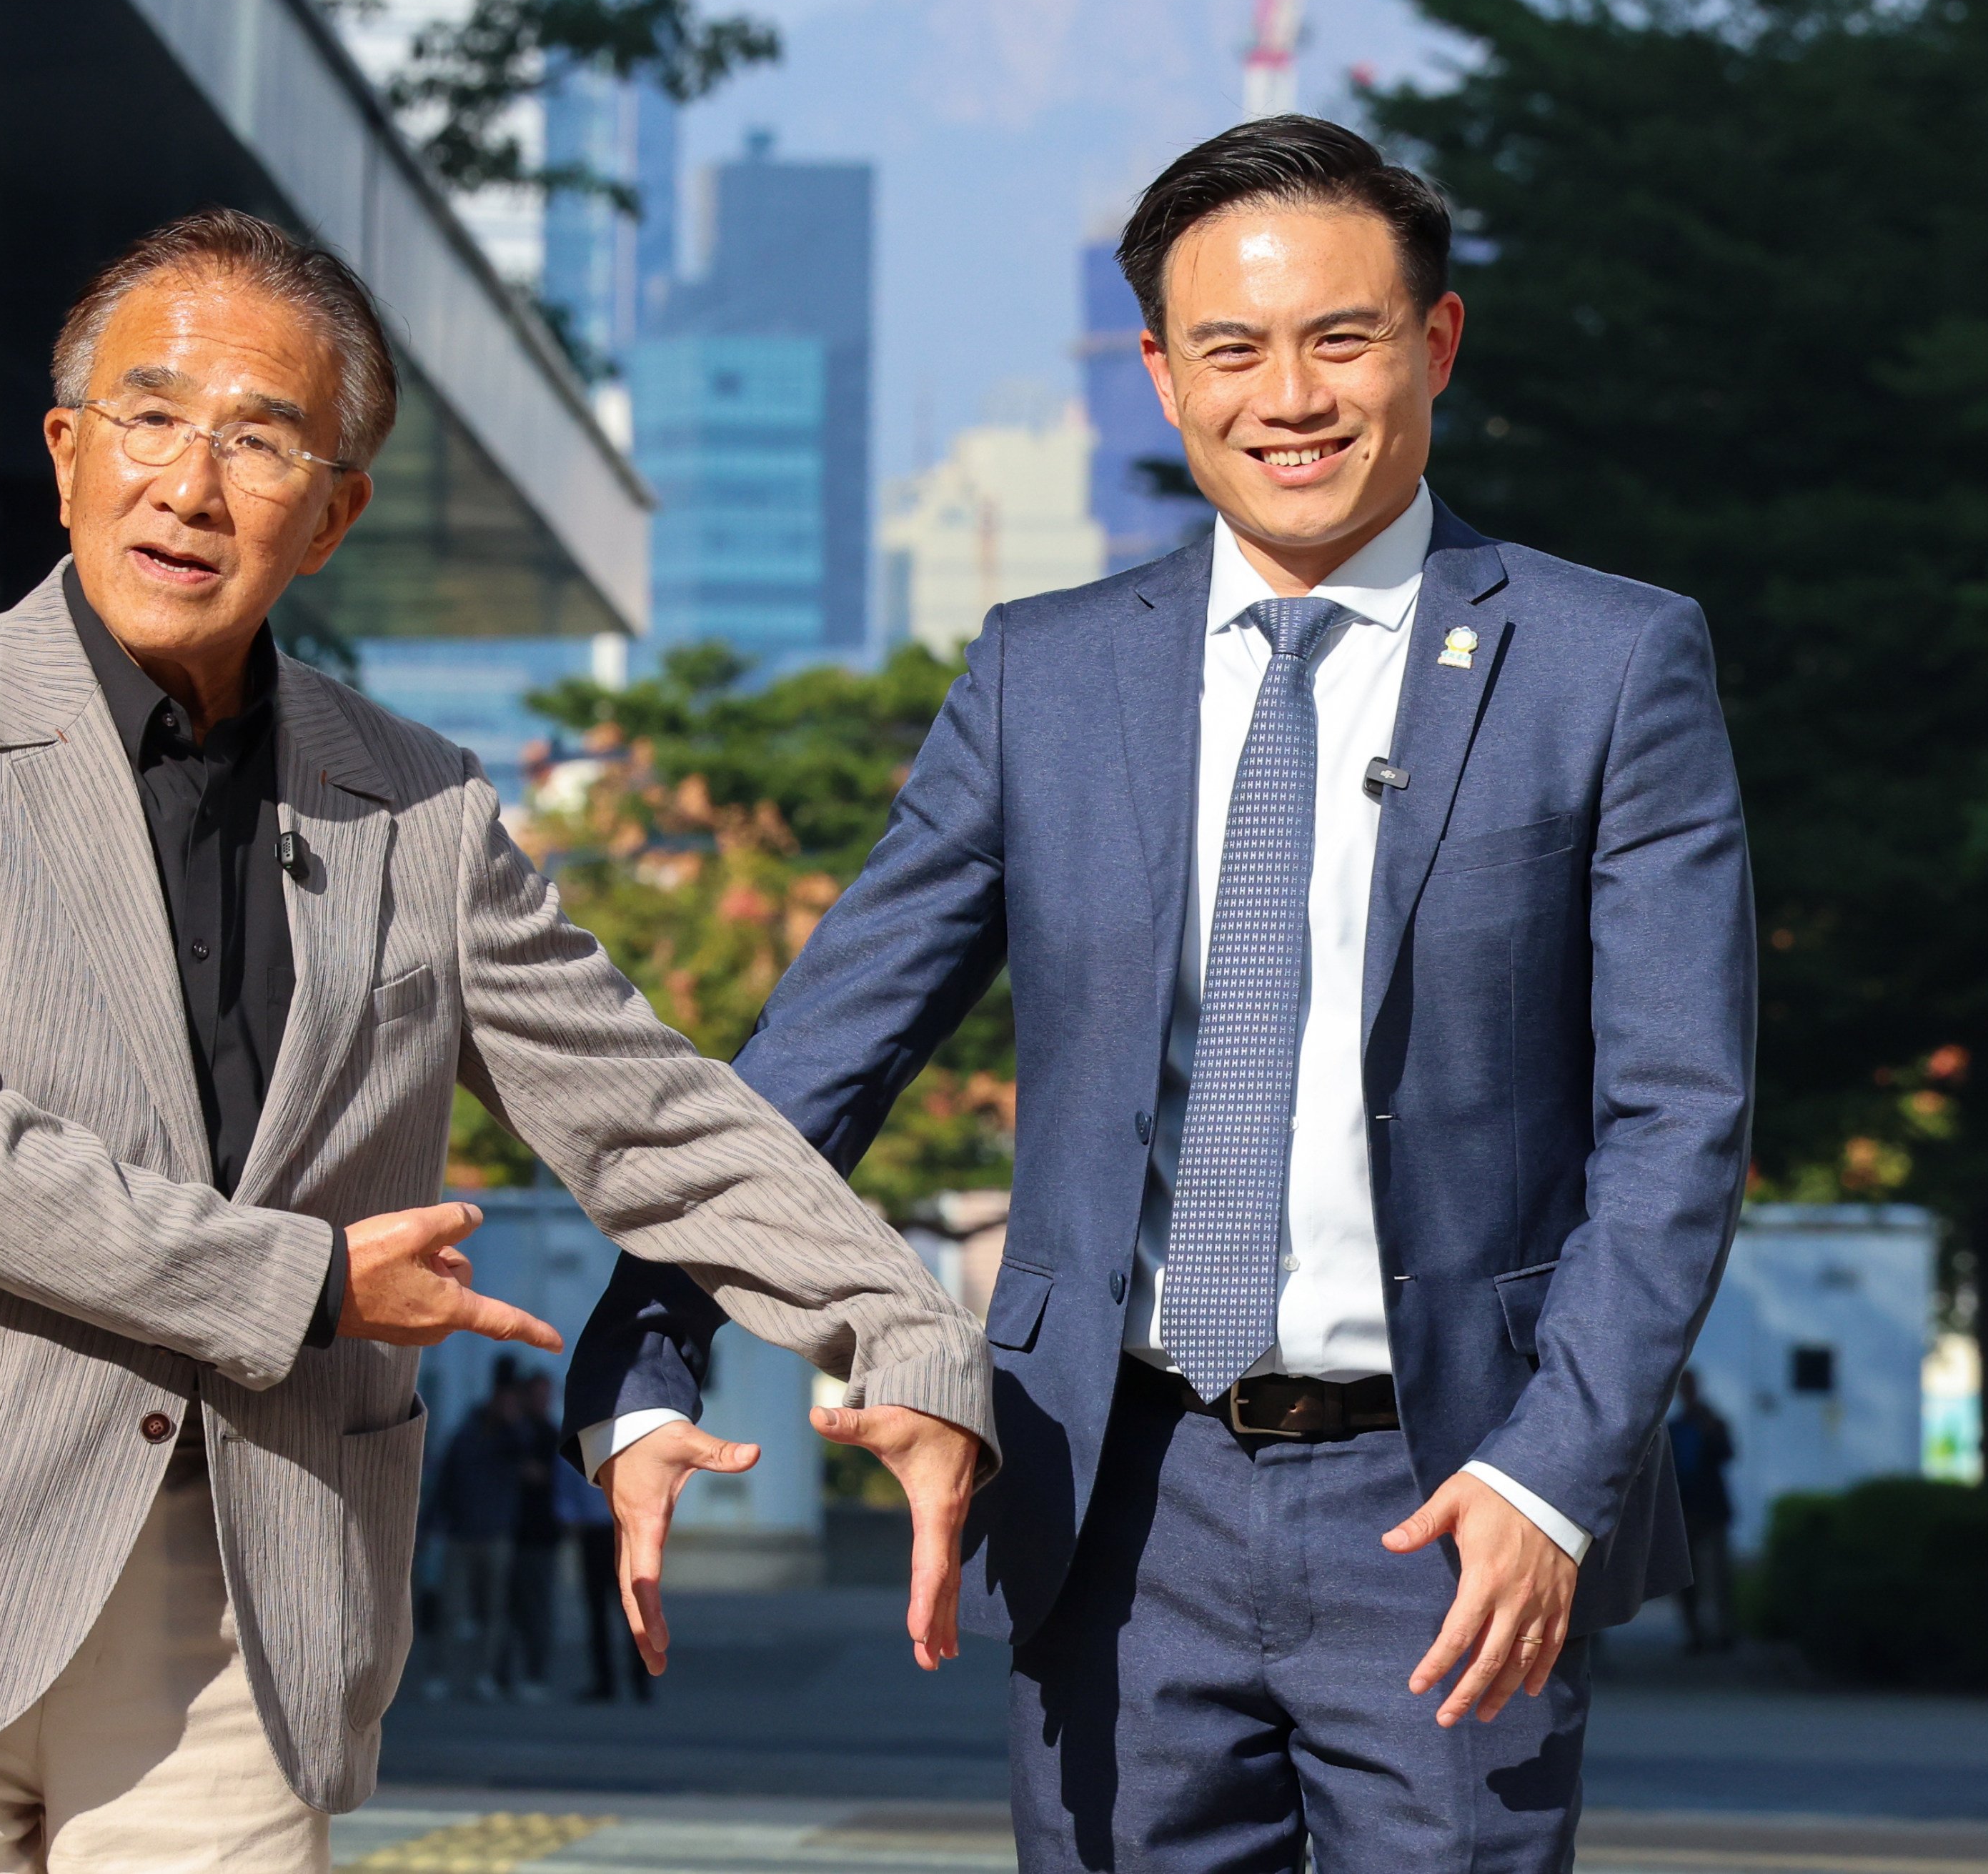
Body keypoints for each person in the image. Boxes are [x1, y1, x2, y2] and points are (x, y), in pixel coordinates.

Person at [0, 208, 996, 1872]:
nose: (191, 482)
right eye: (150, 418)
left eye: (261, 438)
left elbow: (652, 1114)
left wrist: (907, 1331)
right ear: (67, 450)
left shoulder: (423, 807)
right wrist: (304, 1282)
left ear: (336, 513)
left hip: (248, 1582)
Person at [570, 116, 1754, 1873]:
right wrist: (648, 1358)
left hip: (1444, 1503)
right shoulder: (1045, 677)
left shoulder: (1606, 663)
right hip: (1111, 1501)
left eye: (1341, 338)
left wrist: (1551, 1470)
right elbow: (822, 1054)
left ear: (1433, 344)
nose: (1289, 394)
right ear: (1159, 374)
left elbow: (1681, 1114)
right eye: (1232, 348)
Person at [431, 1365, 527, 1703]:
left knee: (494, 1610)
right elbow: (446, 1478)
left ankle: (486, 1674)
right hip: (461, 1533)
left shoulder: (512, 1436)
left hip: (496, 1534)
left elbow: (527, 1453)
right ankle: (442, 1673)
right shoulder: (467, 1434)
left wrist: (513, 1422)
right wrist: (433, 1523)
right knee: (451, 1609)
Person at [557, 1435, 646, 1704]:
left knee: (632, 1611)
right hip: (594, 1532)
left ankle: (640, 1678)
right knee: (597, 1610)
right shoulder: (580, 1445)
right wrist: (570, 1520)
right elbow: (564, 1491)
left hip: (622, 1531)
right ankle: (605, 1680)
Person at [502, 1371, 565, 1700]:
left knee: (537, 1608)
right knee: (508, 1607)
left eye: (547, 1396)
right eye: (538, 1396)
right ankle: (503, 1674)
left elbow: (547, 1478)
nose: (543, 1402)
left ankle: (535, 1672)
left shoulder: (551, 1435)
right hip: (512, 1531)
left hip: (542, 1536)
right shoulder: (516, 1431)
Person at [1668, 1370, 1739, 1653]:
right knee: (1688, 1578)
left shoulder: (1712, 1421)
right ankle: (1695, 1633)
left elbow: (1726, 1454)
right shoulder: (1677, 1426)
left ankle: (1724, 1632)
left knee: (1718, 1576)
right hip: (1686, 1509)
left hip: (1710, 1509)